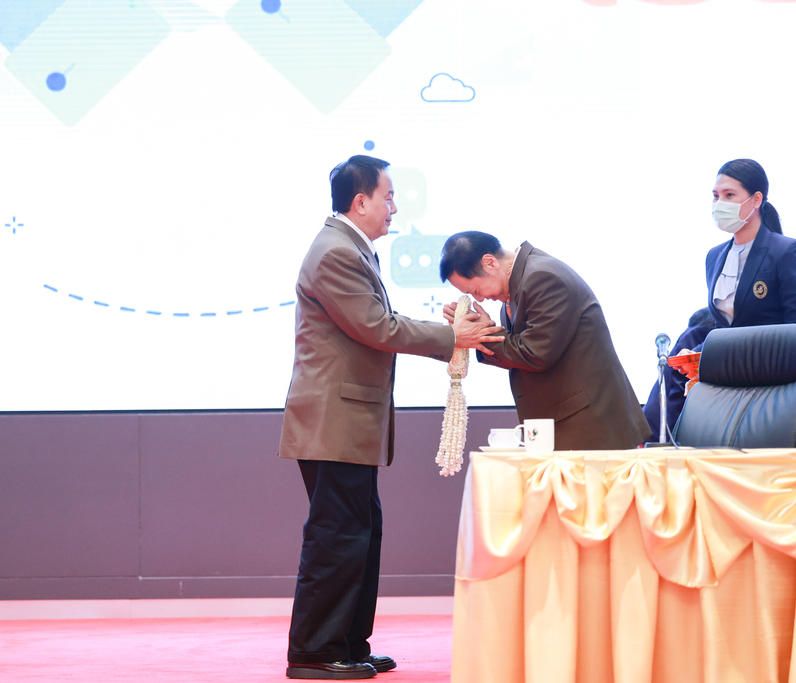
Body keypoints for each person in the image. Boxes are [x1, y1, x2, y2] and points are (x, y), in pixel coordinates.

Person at [279, 156, 503, 680]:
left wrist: (448, 333)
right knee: (337, 536)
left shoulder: (351, 248)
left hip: (347, 421)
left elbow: (377, 323)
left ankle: (347, 644)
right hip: (334, 421)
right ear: (361, 202)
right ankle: (314, 652)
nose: (395, 208)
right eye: (389, 196)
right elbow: (376, 327)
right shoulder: (336, 252)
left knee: (360, 532)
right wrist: (451, 337)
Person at [439, 231, 651, 451]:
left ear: (490, 262)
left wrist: (480, 334)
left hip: (589, 428)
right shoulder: (518, 283)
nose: (480, 299)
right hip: (565, 425)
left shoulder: (542, 277)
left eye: (476, 290)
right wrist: (479, 331)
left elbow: (535, 353)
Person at [675, 159, 796, 385]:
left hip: (773, 382)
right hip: (728, 381)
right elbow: (726, 328)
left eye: (729, 195)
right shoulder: (714, 256)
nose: (719, 203)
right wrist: (697, 353)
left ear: (756, 199)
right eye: (716, 196)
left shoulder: (786, 251)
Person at [642, 308, 714, 443]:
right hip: (665, 429)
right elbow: (681, 384)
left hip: (653, 425)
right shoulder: (699, 334)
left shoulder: (689, 334)